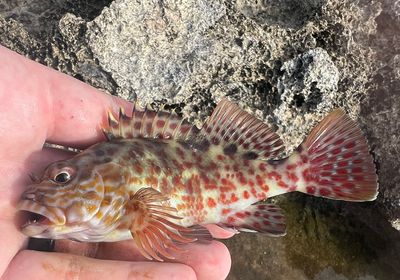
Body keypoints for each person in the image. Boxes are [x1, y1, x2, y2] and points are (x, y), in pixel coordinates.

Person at [0, 46, 233, 280]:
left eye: (62, 178)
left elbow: (161, 229)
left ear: (112, 178)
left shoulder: (132, 201)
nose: (33, 195)